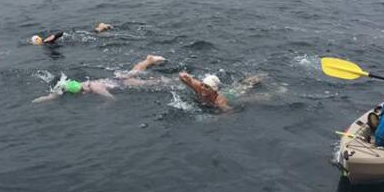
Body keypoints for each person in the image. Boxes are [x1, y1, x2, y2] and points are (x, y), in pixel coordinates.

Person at [32, 55, 166, 103]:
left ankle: (174, 79)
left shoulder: (94, 87)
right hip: (116, 80)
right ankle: (149, 60)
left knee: (154, 84)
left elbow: (111, 99)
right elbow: (55, 94)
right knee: (132, 73)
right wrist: (44, 99)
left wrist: (103, 107)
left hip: (122, 83)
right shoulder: (86, 84)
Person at [178, 72, 262, 112]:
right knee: (238, 86)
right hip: (224, 91)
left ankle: (260, 77)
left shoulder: (219, 102)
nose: (203, 88)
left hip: (230, 95)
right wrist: (186, 76)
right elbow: (182, 76)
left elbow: (230, 112)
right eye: (202, 85)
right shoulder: (199, 87)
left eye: (207, 87)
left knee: (243, 88)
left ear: (213, 90)